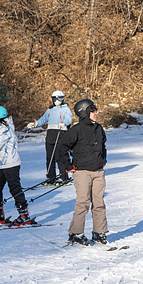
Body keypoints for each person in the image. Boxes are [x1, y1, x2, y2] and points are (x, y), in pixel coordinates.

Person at [55, 99, 108, 246]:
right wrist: (68, 166)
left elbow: (103, 146)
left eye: (96, 110)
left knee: (99, 203)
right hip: (82, 172)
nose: (96, 113)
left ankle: (99, 232)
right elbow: (62, 148)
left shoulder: (99, 129)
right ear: (84, 112)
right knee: (83, 202)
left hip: (98, 171)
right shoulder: (76, 130)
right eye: (92, 110)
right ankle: (76, 233)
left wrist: (103, 161)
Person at [27, 90, 74, 185]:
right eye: (54, 98)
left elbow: (69, 118)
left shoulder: (65, 109)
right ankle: (50, 177)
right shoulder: (50, 109)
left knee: (59, 156)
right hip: (50, 133)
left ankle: (63, 177)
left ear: (63, 99)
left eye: (59, 98)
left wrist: (64, 123)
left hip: (60, 132)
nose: (57, 100)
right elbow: (44, 119)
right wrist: (35, 124)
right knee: (49, 157)